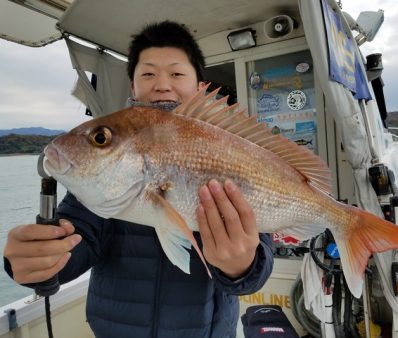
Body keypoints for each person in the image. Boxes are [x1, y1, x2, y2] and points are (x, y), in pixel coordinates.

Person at [3, 21, 274, 338]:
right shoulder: (103, 174)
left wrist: (241, 266)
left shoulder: (233, 146)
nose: (161, 84)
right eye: (147, 74)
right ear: (132, 87)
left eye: (176, 74)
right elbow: (77, 239)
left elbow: (256, 271)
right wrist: (40, 260)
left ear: (200, 86)